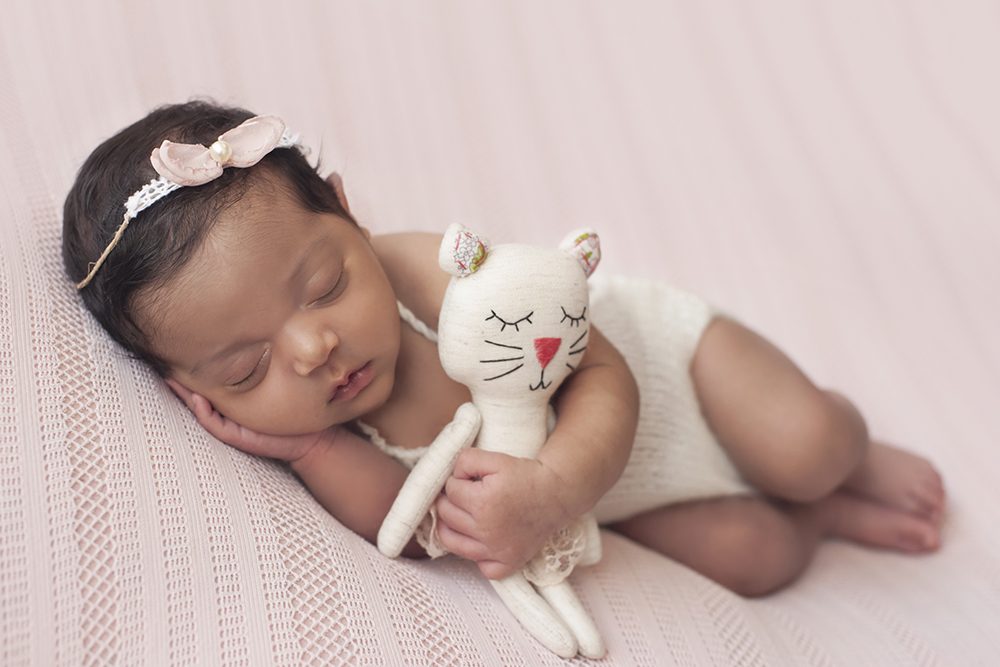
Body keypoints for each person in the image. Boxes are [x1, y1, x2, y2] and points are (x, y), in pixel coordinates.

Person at [63, 101, 945, 598]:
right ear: (191, 391)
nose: (312, 347)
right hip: (620, 490)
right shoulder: (316, 432)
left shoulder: (422, 273)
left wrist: (556, 486)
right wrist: (309, 449)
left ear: (349, 213)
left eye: (325, 285)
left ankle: (851, 449)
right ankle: (823, 519)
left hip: (656, 369)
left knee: (806, 444)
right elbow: (413, 528)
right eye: (244, 368)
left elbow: (600, 370)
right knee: (757, 557)